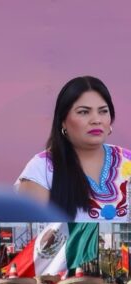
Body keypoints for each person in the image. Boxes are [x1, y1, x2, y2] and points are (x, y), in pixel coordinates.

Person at [16, 76, 129, 220]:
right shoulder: (41, 169)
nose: (96, 120)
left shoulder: (128, 161)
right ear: (63, 121)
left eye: (103, 111)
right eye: (83, 112)